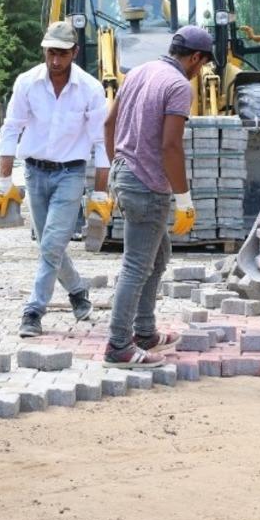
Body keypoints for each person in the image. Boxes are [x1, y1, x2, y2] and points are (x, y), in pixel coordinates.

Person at [102, 25, 212, 368]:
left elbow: (109, 123)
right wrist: (184, 199)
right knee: (136, 265)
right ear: (194, 57)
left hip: (127, 176)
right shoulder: (179, 86)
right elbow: (170, 146)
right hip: (148, 186)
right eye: (203, 63)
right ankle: (119, 345)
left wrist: (118, 165)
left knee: (159, 255)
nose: (202, 71)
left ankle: (145, 331)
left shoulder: (139, 72)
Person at [0, 21, 112, 338]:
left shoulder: (90, 89)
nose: (55, 61)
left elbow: (101, 143)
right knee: (51, 246)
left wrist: (100, 194)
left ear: (74, 52)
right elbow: (11, 128)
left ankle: (33, 311)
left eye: (61, 54)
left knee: (50, 245)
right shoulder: (27, 83)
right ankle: (77, 291)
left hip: (70, 173)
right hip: (34, 172)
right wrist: (4, 181)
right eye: (50, 53)